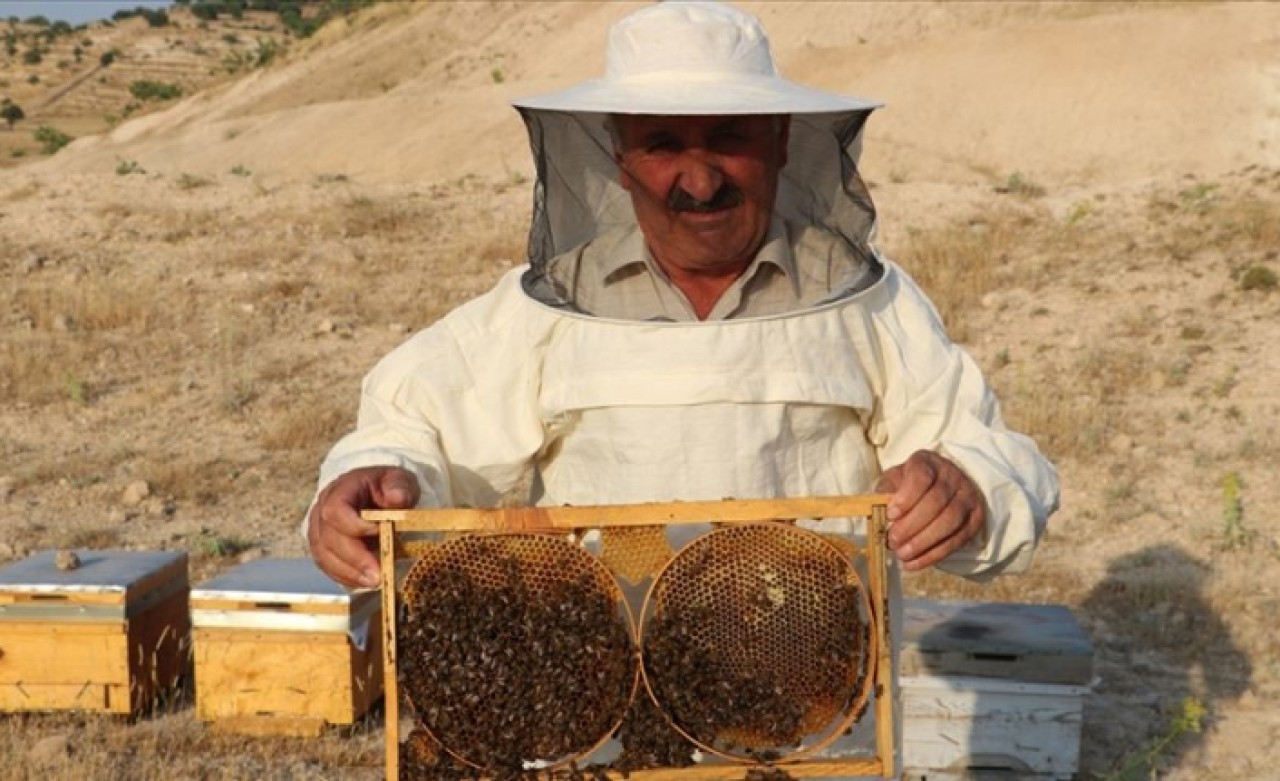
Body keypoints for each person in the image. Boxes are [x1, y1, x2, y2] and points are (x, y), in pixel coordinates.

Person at [305, 0, 1058, 772]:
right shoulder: (537, 313)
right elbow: (412, 429)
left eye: (729, 137)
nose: (699, 180)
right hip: (604, 732)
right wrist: (367, 481)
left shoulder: (870, 304)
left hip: (814, 725)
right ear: (618, 154)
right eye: (663, 143)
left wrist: (968, 484)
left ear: (780, 141)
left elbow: (994, 457)